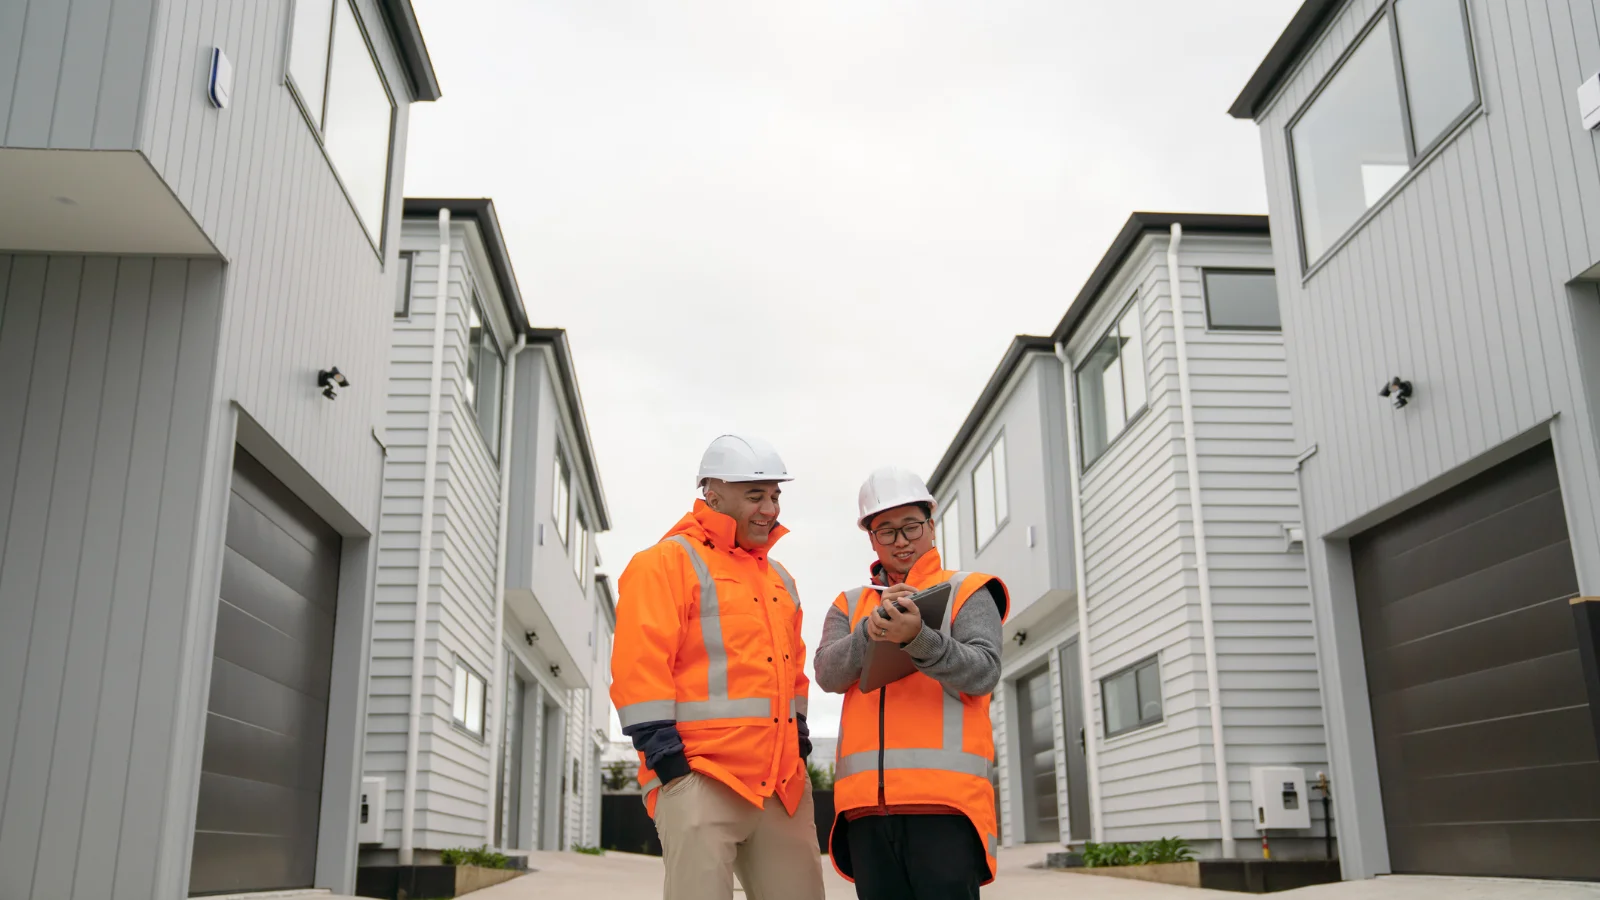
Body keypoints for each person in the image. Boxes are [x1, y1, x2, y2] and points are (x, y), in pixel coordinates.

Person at [610, 434, 825, 900]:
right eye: (755, 495)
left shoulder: (780, 579)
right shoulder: (665, 563)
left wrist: (799, 742)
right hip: (701, 777)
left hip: (781, 786)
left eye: (775, 495)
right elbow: (638, 667)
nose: (770, 508)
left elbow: (794, 676)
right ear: (712, 494)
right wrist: (671, 767)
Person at [814, 466, 1009, 900]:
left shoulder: (968, 591)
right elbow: (827, 673)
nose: (901, 541)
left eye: (911, 527)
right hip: (865, 809)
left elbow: (983, 671)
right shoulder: (849, 604)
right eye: (886, 531)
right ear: (871, 539)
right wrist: (871, 631)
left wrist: (918, 639)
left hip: (945, 805)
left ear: (931, 526)